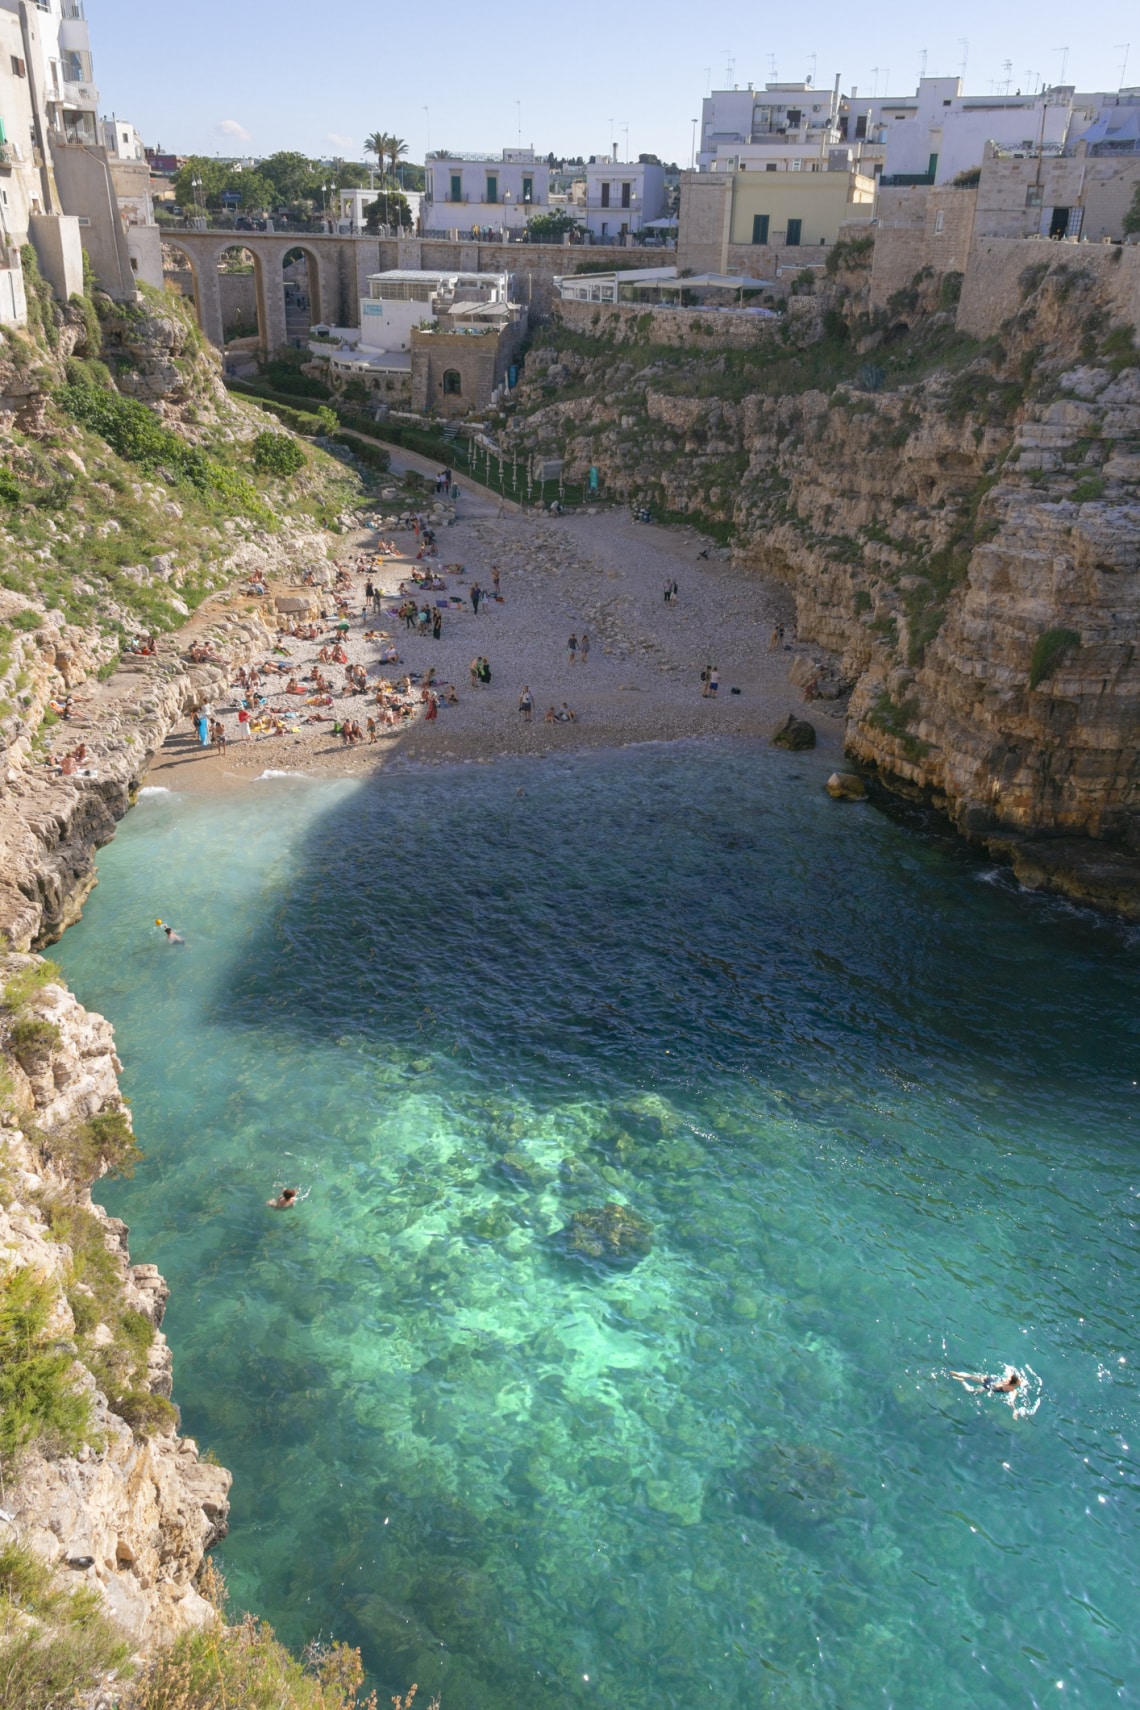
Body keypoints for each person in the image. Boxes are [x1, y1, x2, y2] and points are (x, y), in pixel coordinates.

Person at [950, 1367, 1024, 1398]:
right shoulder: (1013, 1390)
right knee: (971, 1391)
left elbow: (1008, 1369)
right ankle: (962, 1381)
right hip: (989, 1387)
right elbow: (1011, 1402)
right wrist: (1014, 1410)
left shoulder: (1010, 1377)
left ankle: (958, 1373)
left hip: (990, 1379)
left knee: (971, 1376)